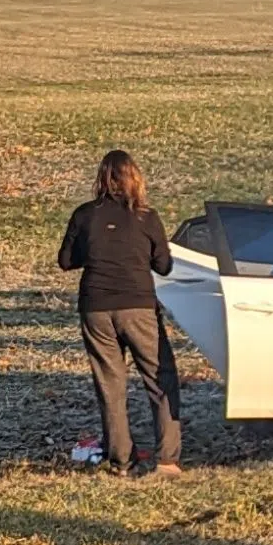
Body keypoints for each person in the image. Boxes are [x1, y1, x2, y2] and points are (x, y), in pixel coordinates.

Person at [57, 150, 182, 477]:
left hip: (95, 308)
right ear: (135, 178)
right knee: (160, 379)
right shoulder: (147, 217)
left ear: (101, 178)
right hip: (138, 306)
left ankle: (121, 461)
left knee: (110, 385)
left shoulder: (84, 215)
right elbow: (164, 267)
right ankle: (167, 459)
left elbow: (66, 261)